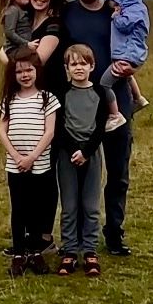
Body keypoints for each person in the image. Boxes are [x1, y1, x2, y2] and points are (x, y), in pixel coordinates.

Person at [62, 0, 135, 256]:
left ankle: (114, 233)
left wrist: (132, 65)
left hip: (118, 103)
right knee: (77, 173)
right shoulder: (66, 14)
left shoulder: (116, 13)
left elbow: (136, 44)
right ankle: (77, 241)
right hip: (79, 108)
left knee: (118, 173)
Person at [0, 0, 67, 256]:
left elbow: (37, 60)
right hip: (24, 100)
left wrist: (6, 57)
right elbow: (14, 46)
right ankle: (25, 236)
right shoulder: (25, 17)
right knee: (24, 173)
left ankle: (44, 237)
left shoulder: (53, 24)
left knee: (45, 172)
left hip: (47, 103)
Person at [0, 48, 60, 277]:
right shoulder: (9, 99)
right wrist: (16, 157)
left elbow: (50, 132)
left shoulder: (47, 98)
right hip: (15, 166)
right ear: (13, 74)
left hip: (40, 165)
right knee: (19, 209)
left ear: (37, 71)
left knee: (36, 210)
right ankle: (18, 254)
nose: (25, 75)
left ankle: (35, 253)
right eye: (20, 71)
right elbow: (2, 131)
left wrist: (32, 157)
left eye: (29, 70)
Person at [55, 44, 108, 277]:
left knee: (90, 205)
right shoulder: (61, 94)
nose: (79, 68)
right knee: (69, 205)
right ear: (67, 68)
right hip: (67, 155)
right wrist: (74, 150)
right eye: (73, 64)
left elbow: (100, 127)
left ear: (92, 66)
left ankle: (89, 250)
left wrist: (86, 151)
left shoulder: (100, 93)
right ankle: (69, 251)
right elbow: (58, 127)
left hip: (92, 154)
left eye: (83, 63)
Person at [99, 0, 150, 132]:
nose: (114, 5)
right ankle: (139, 98)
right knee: (126, 75)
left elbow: (124, 25)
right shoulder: (140, 9)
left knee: (105, 83)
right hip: (131, 53)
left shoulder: (133, 11)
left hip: (127, 53)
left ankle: (115, 115)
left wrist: (115, 16)